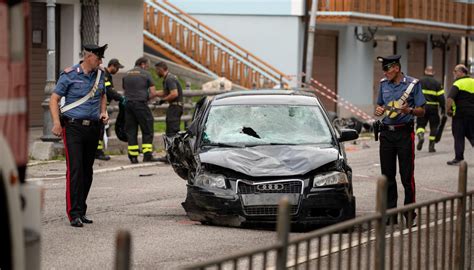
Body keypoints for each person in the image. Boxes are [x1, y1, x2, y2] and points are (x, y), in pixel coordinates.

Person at [49, 44, 109, 227]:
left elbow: (103, 95)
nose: (100, 61)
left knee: (87, 171)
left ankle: (82, 210)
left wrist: (103, 112)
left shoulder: (100, 74)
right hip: (73, 127)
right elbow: (54, 99)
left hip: (93, 128)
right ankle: (73, 213)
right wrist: (57, 123)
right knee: (75, 170)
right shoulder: (70, 74)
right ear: (89, 57)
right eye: (98, 58)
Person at [374, 55, 426, 226]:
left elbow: (422, 111)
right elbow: (379, 107)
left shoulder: (413, 84)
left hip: (404, 134)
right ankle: (391, 213)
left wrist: (409, 110)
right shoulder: (383, 84)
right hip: (386, 135)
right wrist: (379, 111)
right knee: (387, 176)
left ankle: (410, 214)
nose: (385, 72)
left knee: (406, 177)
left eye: (387, 68)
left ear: (396, 68)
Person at [122, 57, 160, 163]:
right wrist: (146, 98)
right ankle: (147, 155)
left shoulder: (126, 74)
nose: (147, 68)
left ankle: (133, 156)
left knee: (131, 130)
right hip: (141, 104)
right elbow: (153, 92)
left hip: (128, 105)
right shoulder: (146, 74)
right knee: (147, 128)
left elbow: (125, 90)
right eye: (147, 66)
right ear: (142, 64)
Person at [95, 58, 126, 161]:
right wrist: (120, 98)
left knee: (100, 129)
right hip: (99, 107)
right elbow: (108, 91)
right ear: (112, 65)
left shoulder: (107, 75)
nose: (117, 70)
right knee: (99, 130)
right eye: (117, 68)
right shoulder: (105, 75)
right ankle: (98, 152)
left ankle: (96, 151)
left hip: (101, 107)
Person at [154, 62, 184, 163]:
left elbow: (174, 94)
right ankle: (172, 155)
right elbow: (165, 92)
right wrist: (153, 93)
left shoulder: (170, 79)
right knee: (170, 131)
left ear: (162, 69)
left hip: (175, 107)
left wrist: (162, 100)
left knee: (172, 132)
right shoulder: (168, 78)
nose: (156, 72)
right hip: (174, 107)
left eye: (157, 70)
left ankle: (174, 157)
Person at [446, 64, 474, 165]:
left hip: (459, 115)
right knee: (472, 135)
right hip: (472, 115)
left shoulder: (458, 83)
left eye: (455, 71)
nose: (454, 73)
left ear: (462, 72)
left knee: (458, 136)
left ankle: (459, 158)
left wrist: (448, 110)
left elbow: (450, 98)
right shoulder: (473, 81)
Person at [415, 66, 445, 152]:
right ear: (433, 72)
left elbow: (414, 94)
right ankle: (431, 146)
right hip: (433, 108)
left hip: (422, 107)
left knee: (420, 125)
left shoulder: (419, 82)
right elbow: (441, 97)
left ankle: (421, 136)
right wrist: (443, 108)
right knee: (434, 126)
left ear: (425, 71)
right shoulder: (437, 83)